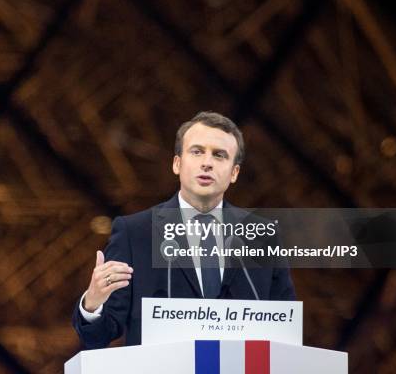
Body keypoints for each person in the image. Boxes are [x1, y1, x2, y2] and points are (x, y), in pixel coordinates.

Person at [72, 111, 296, 349]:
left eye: (219, 155)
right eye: (197, 151)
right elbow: (99, 335)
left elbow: (285, 329)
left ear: (234, 173)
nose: (207, 163)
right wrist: (93, 303)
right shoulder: (134, 232)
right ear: (177, 164)